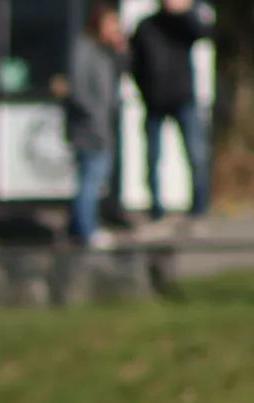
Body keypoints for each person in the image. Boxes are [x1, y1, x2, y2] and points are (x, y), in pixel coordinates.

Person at [130, 0, 214, 228]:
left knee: (196, 155)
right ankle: (156, 210)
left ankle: (199, 210)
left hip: (183, 99)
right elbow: (134, 62)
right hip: (154, 101)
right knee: (152, 158)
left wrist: (184, 12)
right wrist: (145, 91)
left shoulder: (183, 24)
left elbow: (203, 33)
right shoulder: (146, 27)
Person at [64, 2, 128, 250]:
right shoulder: (83, 49)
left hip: (103, 126)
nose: (115, 29)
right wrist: (94, 117)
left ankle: (76, 228)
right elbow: (78, 89)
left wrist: (120, 50)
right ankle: (87, 230)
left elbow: (122, 73)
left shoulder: (105, 51)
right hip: (89, 128)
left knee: (92, 178)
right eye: (111, 24)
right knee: (91, 178)